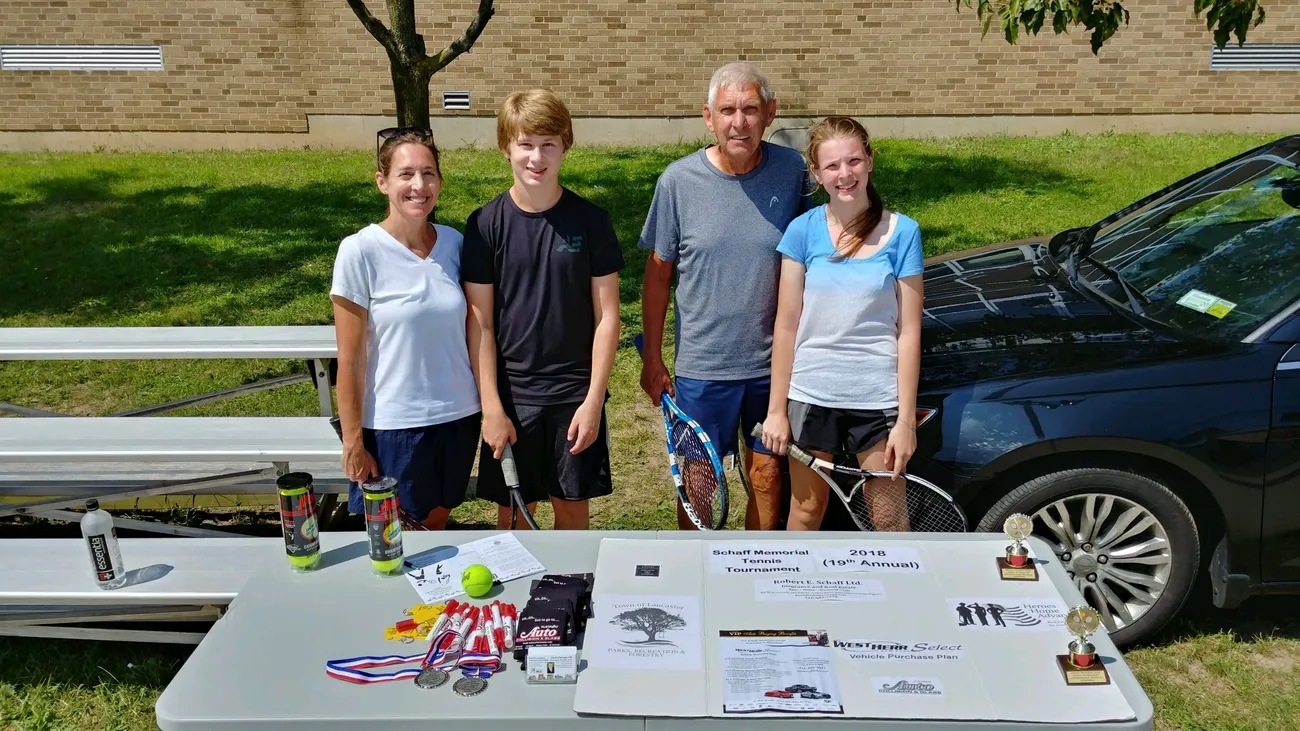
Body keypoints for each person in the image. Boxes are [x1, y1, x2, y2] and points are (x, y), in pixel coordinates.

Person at [639, 61, 813, 531]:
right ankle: (700, 575)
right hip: (703, 365)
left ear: (770, 113)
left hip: (772, 364)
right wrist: (651, 358)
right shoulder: (678, 182)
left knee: (768, 473)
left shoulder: (792, 172)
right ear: (708, 117)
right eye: (728, 110)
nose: (740, 122)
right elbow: (656, 277)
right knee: (699, 481)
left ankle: (754, 571)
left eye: (751, 109)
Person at [462, 89, 623, 531]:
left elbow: (608, 317)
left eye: (549, 144)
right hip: (514, 398)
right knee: (514, 517)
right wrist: (491, 407)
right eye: (526, 144)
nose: (537, 157)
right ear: (505, 147)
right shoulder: (484, 225)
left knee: (571, 512)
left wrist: (593, 400)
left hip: (575, 395)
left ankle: (569, 598)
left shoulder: (591, 222)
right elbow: (481, 323)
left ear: (565, 146)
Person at [759, 116, 924, 532]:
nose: (844, 174)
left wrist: (905, 421)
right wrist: (777, 410)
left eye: (853, 161)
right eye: (831, 166)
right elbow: (786, 325)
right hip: (812, 395)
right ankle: (792, 594)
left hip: (876, 400)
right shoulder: (802, 231)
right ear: (816, 174)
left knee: (888, 519)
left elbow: (909, 332)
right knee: (806, 512)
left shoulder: (903, 233)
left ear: (870, 160)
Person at [330, 128, 482, 530]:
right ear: (382, 182)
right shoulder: (359, 251)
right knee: (392, 543)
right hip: (394, 426)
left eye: (429, 173)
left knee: (434, 531)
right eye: (406, 174)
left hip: (458, 416)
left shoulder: (456, 244)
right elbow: (350, 359)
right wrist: (353, 440)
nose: (419, 185)